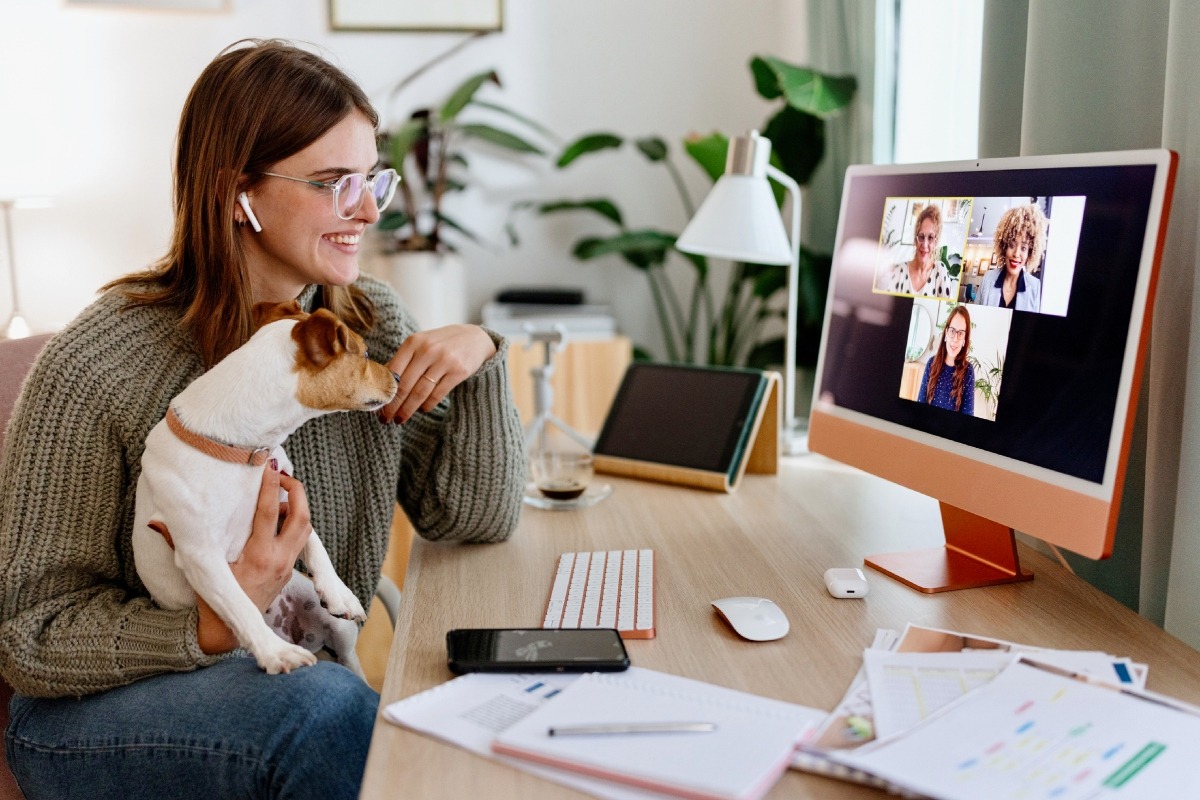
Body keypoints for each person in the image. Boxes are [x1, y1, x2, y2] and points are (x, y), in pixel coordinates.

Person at [0, 40, 526, 800]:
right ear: (235, 193)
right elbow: (32, 639)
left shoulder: (364, 329)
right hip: (87, 716)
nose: (370, 209)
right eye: (332, 183)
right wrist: (216, 622)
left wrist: (479, 357)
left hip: (286, 679)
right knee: (328, 715)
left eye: (371, 178)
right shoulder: (97, 363)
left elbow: (472, 516)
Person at [977, 203, 1047, 311]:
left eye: (1023, 248)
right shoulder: (988, 278)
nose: (1016, 254)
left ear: (1030, 252)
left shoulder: (1034, 287)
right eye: (1011, 245)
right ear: (1004, 247)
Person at [881, 204, 956, 298]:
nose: (924, 245)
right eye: (921, 236)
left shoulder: (941, 272)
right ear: (916, 239)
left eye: (930, 237)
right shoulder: (898, 271)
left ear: (935, 242)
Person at [918, 304, 976, 415]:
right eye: (952, 331)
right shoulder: (931, 363)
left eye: (960, 333)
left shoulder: (968, 371)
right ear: (946, 333)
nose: (955, 339)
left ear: (965, 339)